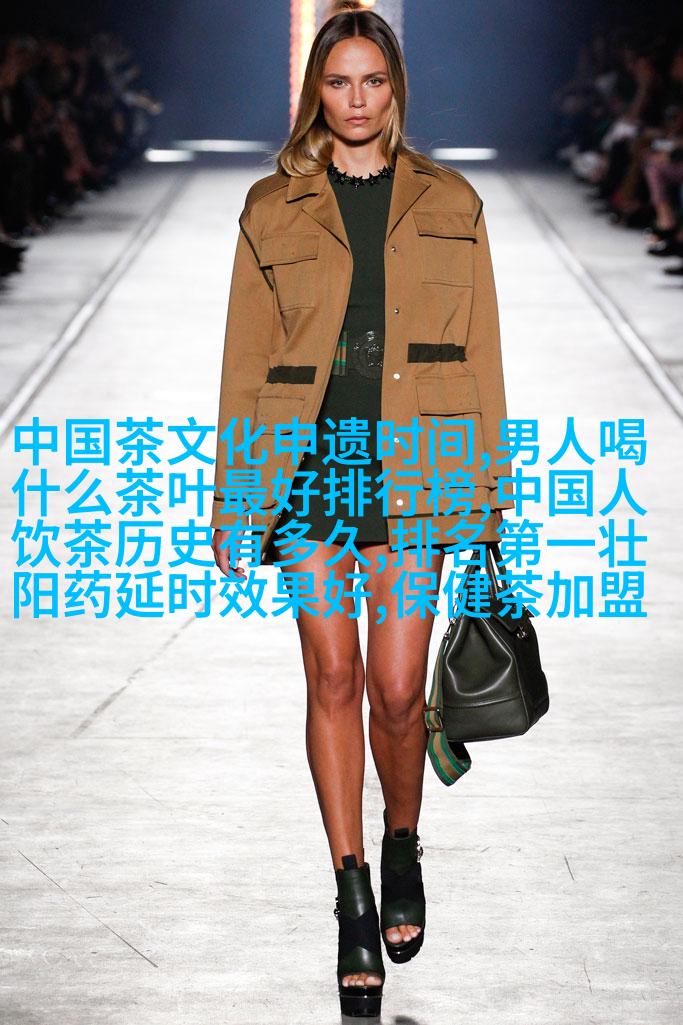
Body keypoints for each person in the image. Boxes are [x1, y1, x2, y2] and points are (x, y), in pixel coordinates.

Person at [211, 1, 513, 1016]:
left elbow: (480, 355)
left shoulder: (450, 200)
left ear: (394, 90)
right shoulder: (271, 207)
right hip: (310, 471)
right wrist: (235, 495)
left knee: (394, 690)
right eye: (337, 82)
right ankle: (350, 891)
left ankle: (401, 840)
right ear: (316, 93)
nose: (355, 99)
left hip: (420, 468)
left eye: (371, 81)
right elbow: (246, 360)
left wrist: (489, 497)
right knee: (332, 675)